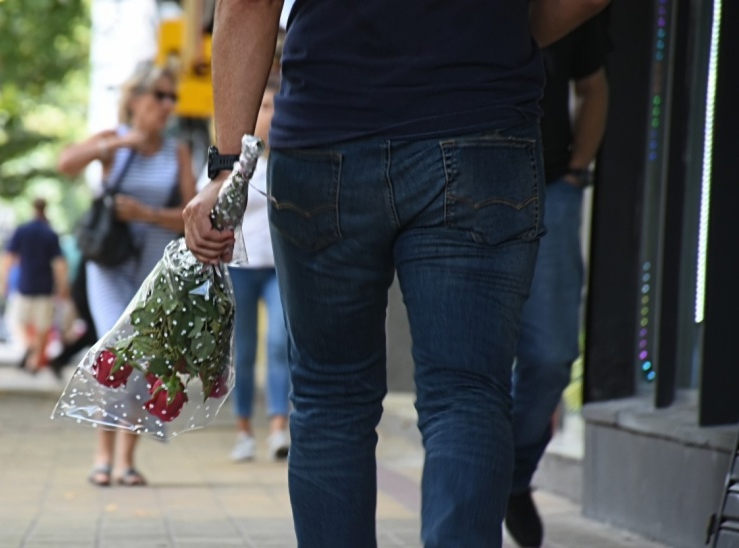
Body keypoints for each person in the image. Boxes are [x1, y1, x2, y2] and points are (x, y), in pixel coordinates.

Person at [183, 1, 610, 546]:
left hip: (326, 136)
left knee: (330, 396)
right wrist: (495, 28)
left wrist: (227, 168)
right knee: (467, 395)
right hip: (480, 125)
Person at [57, 64, 196, 487]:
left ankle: (126, 461)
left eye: (172, 97)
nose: (167, 105)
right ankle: (103, 456)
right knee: (117, 354)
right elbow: (66, 163)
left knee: (143, 362)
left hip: (153, 273)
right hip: (109, 268)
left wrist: (146, 213)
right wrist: (119, 143)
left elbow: (191, 216)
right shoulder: (113, 142)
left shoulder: (178, 151)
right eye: (159, 95)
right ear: (135, 99)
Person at [506, 14, 610, 548]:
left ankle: (513, 475)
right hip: (458, 191)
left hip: (550, 189)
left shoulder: (567, 9)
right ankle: (476, 490)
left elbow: (593, 87)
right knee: (468, 370)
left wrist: (576, 172)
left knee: (551, 355)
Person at [197, 75, 291, 462]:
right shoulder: (230, 165)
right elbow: (206, 207)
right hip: (239, 269)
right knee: (243, 350)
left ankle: (279, 427)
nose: (269, 115)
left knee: (280, 344)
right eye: (263, 107)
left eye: (275, 107)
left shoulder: (290, 160)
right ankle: (243, 430)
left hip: (279, 268)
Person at [1, 198, 69, 374]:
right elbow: (59, 264)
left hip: (24, 284)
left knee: (17, 322)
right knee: (42, 327)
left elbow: (8, 258)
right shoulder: (50, 233)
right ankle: (35, 360)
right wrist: (62, 286)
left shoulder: (22, 230)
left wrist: (4, 282)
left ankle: (30, 349)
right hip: (45, 287)